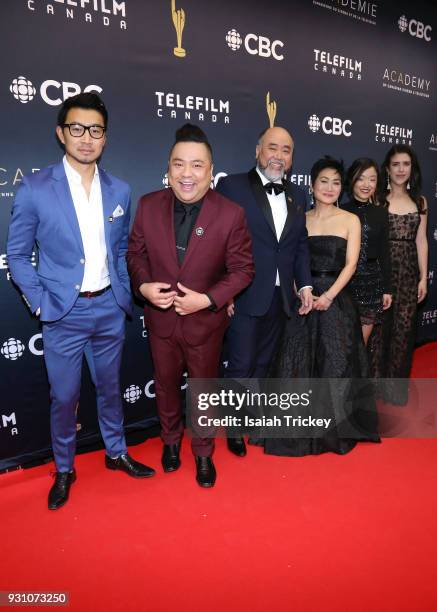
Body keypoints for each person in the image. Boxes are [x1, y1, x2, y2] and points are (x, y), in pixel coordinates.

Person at [7, 93, 155, 511]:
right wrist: (40, 303)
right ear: (61, 133)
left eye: (95, 130)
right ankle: (65, 467)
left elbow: (122, 249)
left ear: (104, 138)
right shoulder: (36, 189)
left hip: (109, 308)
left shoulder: (120, 190)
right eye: (77, 128)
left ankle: (116, 452)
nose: (86, 138)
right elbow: (17, 255)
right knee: (65, 396)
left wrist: (124, 294)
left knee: (110, 389)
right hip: (62, 314)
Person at [127, 124, 254, 488]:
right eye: (179, 164)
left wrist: (208, 299)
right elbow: (135, 254)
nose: (187, 173)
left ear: (211, 171)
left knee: (203, 389)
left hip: (205, 324)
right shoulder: (148, 205)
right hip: (160, 319)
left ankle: (202, 454)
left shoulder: (231, 214)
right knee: (165, 386)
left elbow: (244, 270)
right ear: (168, 168)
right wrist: (143, 286)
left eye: (197, 165)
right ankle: (170, 444)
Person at [263, 156, 379, 457]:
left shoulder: (350, 220)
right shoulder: (300, 218)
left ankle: (334, 432)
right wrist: (302, 293)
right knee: (296, 364)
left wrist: (328, 296)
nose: (330, 188)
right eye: (324, 181)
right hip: (303, 297)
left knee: (337, 364)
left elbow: (351, 264)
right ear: (312, 185)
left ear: (342, 188)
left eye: (336, 182)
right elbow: (288, 260)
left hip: (336, 299)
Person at [215, 127, 312, 457]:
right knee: (240, 363)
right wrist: (224, 290)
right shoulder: (232, 186)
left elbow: (298, 246)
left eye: (286, 150)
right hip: (244, 293)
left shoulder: (298, 195)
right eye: (273, 147)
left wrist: (306, 285)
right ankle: (233, 426)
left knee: (264, 362)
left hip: (282, 295)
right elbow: (218, 242)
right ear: (257, 150)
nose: (279, 155)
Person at [368, 145, 428, 405]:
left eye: (406, 164)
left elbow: (422, 241)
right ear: (387, 168)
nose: (401, 169)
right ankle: (371, 389)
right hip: (381, 271)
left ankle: (394, 391)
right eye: (396, 164)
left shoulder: (420, 202)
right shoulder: (378, 199)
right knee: (379, 332)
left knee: (403, 332)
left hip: (408, 274)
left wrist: (423, 277)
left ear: (411, 168)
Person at [342, 158, 392, 345]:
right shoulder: (341, 211)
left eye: (372, 179)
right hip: (345, 284)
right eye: (361, 178)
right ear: (352, 180)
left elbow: (384, 253)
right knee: (342, 343)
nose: (366, 184)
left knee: (361, 344)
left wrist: (387, 289)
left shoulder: (381, 213)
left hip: (371, 284)